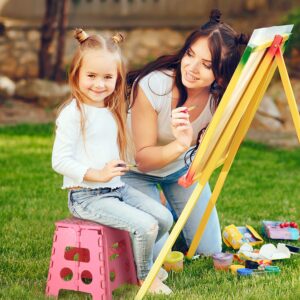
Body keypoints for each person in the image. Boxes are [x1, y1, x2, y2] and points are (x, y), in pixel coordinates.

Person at [52, 28, 173, 294]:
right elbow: (59, 161)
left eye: (107, 77)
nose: (99, 84)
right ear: (76, 75)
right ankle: (144, 277)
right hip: (87, 197)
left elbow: (109, 148)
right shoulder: (73, 114)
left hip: (117, 189)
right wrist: (97, 174)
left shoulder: (110, 109)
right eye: (91, 76)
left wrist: (122, 166)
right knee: (146, 225)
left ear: (117, 78)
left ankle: (141, 262)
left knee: (164, 218)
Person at [124, 9, 248, 258]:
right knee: (159, 255)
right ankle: (158, 210)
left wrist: (197, 165)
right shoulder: (153, 85)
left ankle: (170, 208)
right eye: (190, 54)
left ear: (221, 76)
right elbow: (144, 160)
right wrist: (181, 145)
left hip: (180, 172)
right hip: (133, 172)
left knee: (210, 250)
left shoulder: (219, 100)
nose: (191, 68)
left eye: (206, 64)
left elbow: (219, 148)